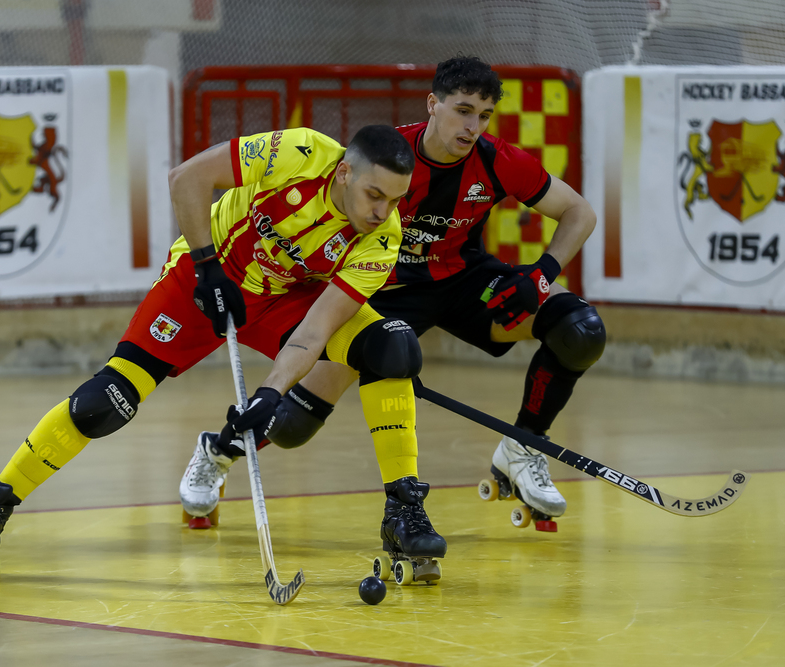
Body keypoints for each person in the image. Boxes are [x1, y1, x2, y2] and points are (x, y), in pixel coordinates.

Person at [0, 123, 449, 579]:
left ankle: (403, 508)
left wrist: (270, 394)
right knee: (105, 402)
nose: (383, 212)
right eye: (373, 195)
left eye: (395, 200)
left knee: (391, 345)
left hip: (287, 301)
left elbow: (314, 332)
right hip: (206, 276)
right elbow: (187, 178)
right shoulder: (301, 152)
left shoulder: (382, 238)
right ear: (343, 174)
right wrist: (208, 266)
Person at [181, 55, 604, 531]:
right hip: (379, 288)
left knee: (581, 329)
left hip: (464, 283)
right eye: (463, 110)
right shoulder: (385, 159)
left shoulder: (498, 160)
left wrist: (541, 274)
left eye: (483, 116)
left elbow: (580, 213)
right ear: (433, 104)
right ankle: (217, 451)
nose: (472, 126)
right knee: (293, 426)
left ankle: (525, 447)